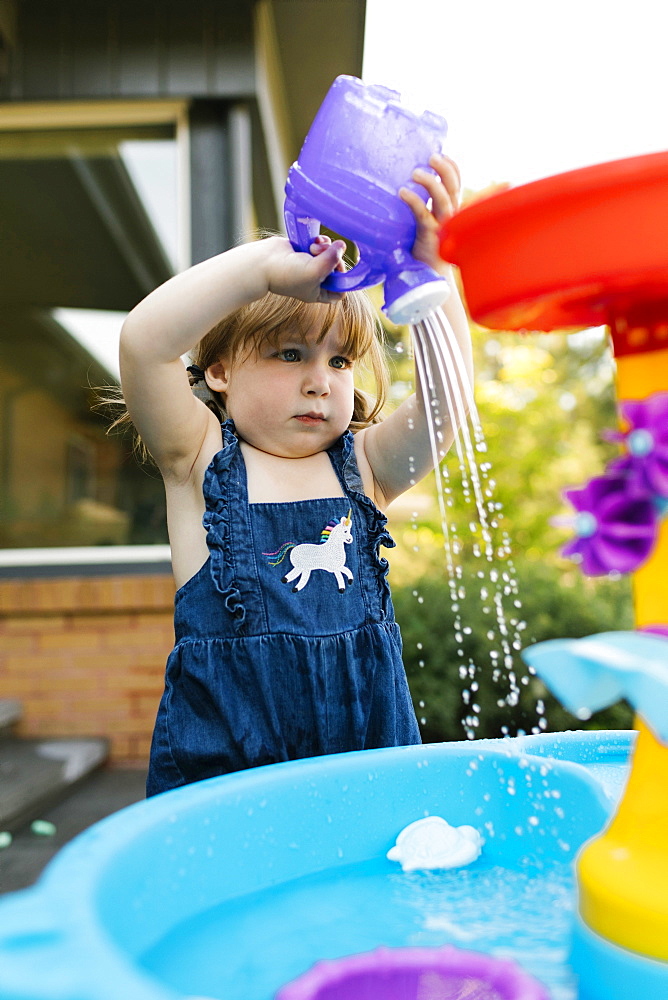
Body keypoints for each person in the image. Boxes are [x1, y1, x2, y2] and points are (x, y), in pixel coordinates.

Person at [119, 153, 472, 796]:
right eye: (290, 354)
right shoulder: (197, 460)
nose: (320, 381)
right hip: (229, 773)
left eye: (340, 361)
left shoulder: (364, 468)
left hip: (366, 758)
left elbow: (451, 396)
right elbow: (146, 342)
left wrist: (430, 271)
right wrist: (263, 270)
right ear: (219, 370)